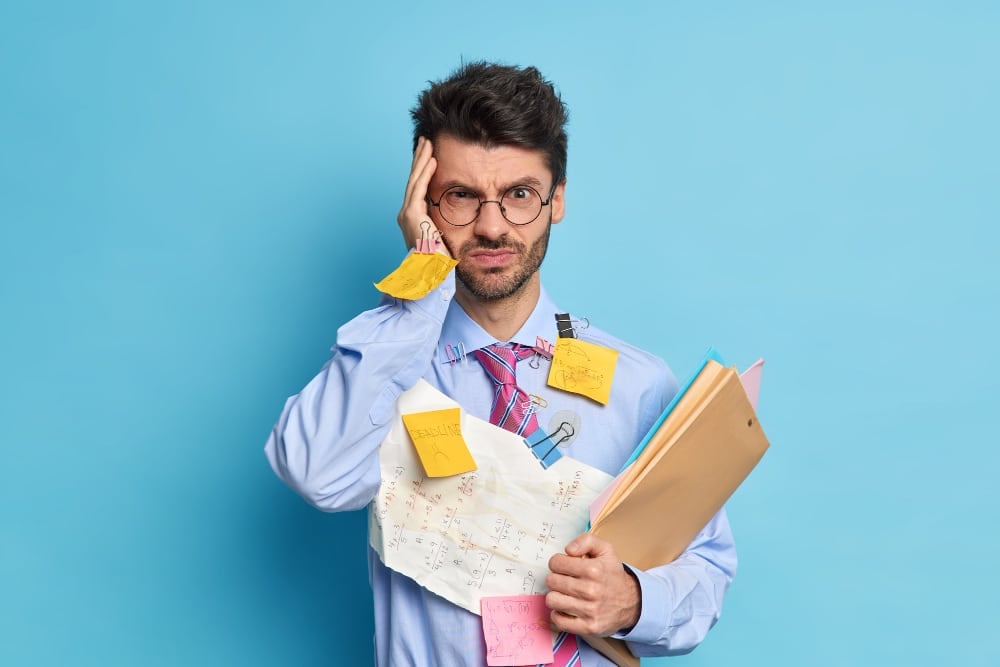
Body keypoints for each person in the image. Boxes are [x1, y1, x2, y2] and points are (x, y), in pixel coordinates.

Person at [265, 61, 736, 666]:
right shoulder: (385, 377)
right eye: (461, 196)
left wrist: (636, 601)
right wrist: (417, 294)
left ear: (557, 198)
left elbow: (707, 566)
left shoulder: (640, 384)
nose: (492, 227)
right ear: (423, 204)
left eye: (519, 195)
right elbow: (313, 473)